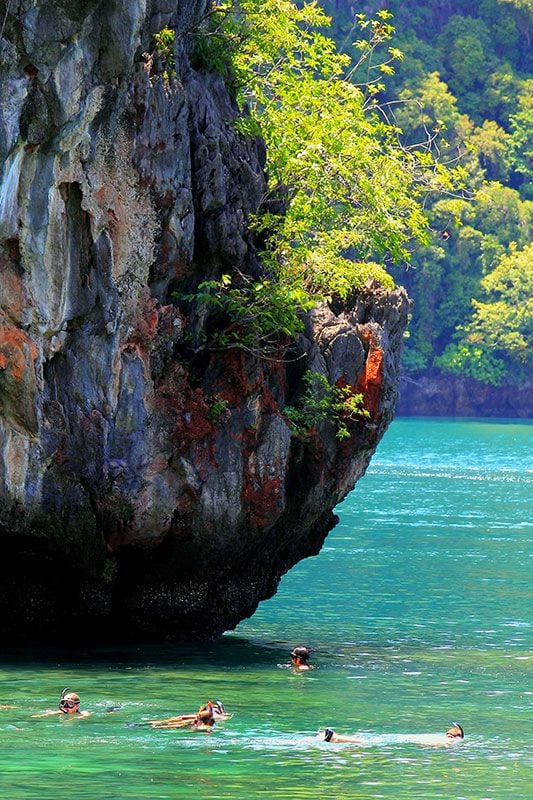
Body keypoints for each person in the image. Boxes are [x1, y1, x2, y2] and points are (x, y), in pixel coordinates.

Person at [320, 723, 464, 747]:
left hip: (401, 739)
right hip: (402, 742)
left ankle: (335, 738)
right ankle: (335, 738)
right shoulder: (449, 742)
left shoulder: (443, 738)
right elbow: (427, 744)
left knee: (366, 741)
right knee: (367, 743)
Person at [148, 700, 229, 730]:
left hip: (195, 724)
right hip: (195, 725)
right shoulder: (212, 721)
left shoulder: (201, 719)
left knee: (176, 723)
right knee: (176, 724)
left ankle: (155, 724)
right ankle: (156, 725)